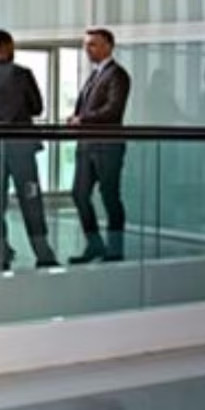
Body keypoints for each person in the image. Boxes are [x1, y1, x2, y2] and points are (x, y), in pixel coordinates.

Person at [0, 30, 59, 269]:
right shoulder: (21, 74)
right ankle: (42, 251)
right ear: (8, 45)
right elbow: (37, 106)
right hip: (20, 145)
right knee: (30, 196)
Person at [69, 28, 133, 264]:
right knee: (79, 194)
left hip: (107, 146)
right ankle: (95, 244)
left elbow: (113, 109)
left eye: (93, 44)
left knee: (110, 197)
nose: (88, 49)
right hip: (87, 145)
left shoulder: (118, 75)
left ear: (108, 46)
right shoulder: (95, 75)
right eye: (86, 45)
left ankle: (115, 249)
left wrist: (83, 119)